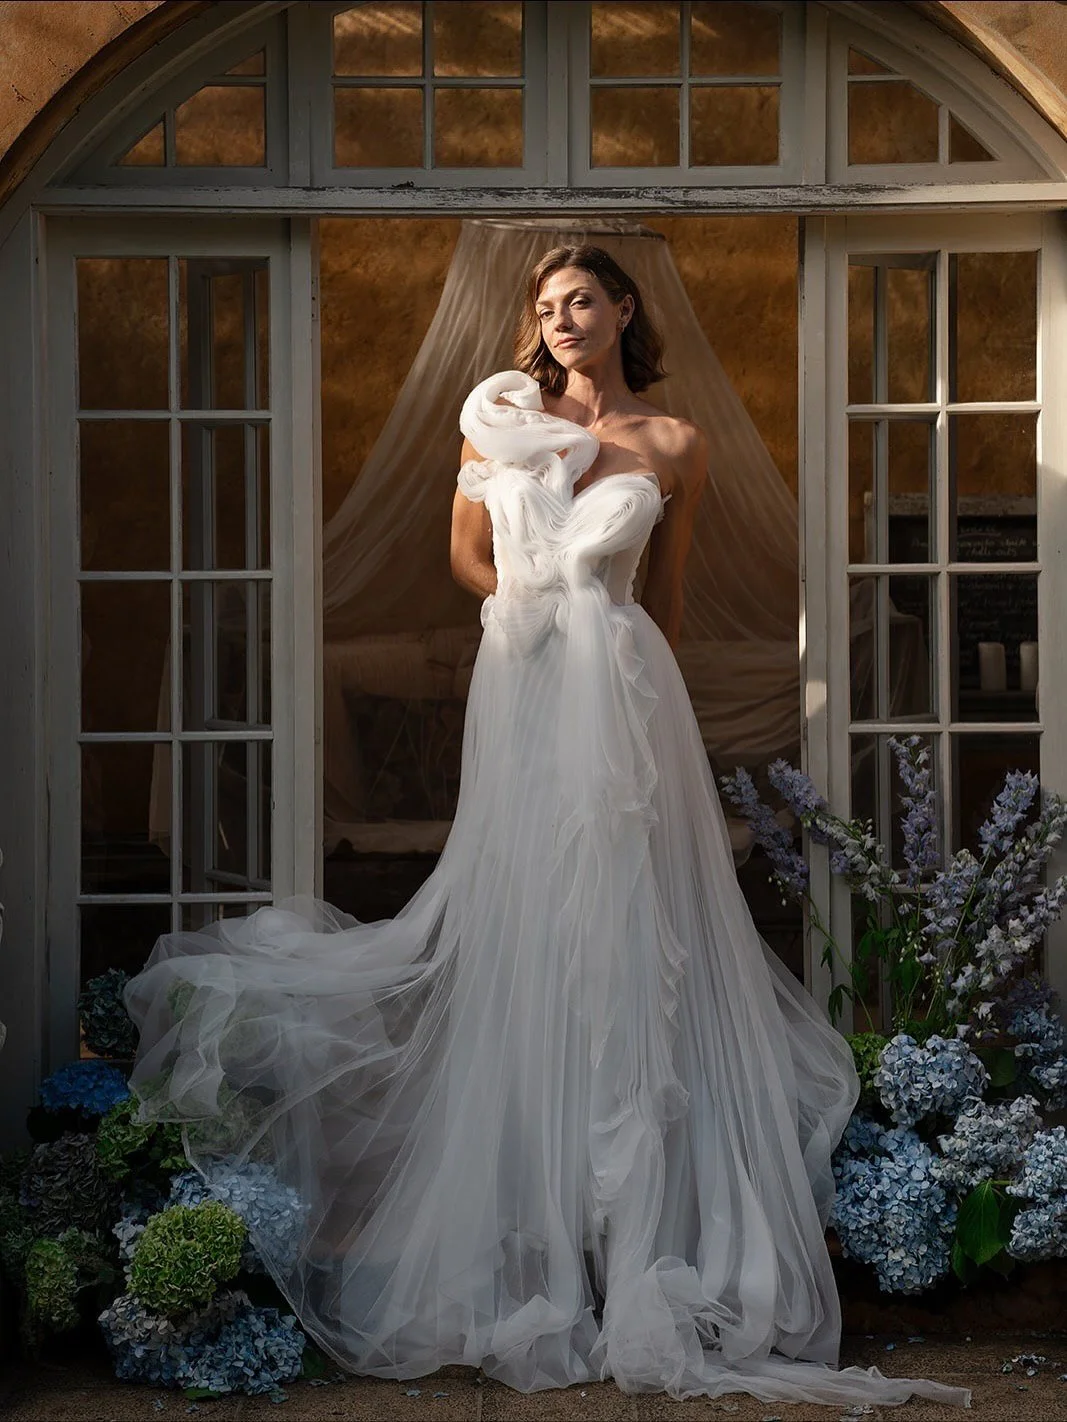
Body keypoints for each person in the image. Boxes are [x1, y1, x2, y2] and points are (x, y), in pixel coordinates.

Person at [124, 245, 970, 1409]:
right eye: (543, 306)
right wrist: (528, 594)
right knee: (529, 923)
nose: (559, 318)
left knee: (631, 932)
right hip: (523, 678)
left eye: (579, 300)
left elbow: (661, 602)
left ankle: (637, 1233)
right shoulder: (498, 423)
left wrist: (640, 703)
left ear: (623, 308)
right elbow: (463, 557)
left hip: (623, 694)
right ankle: (531, 1233)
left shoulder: (674, 444)